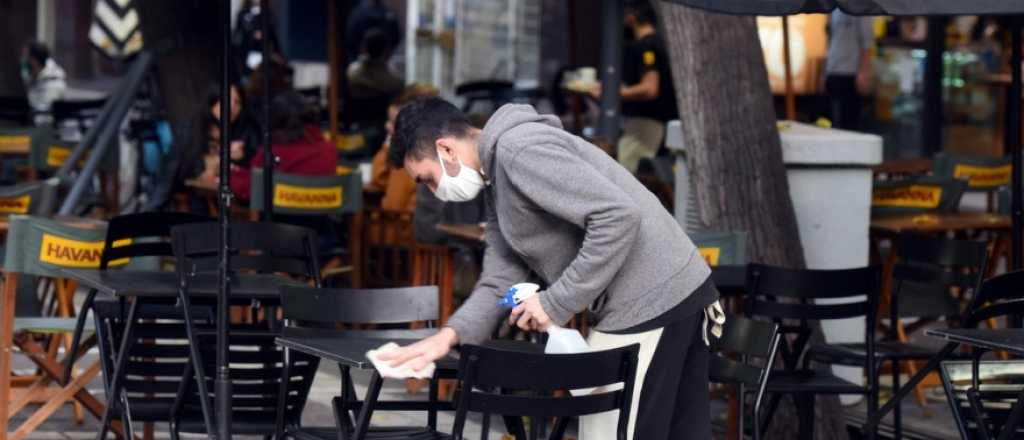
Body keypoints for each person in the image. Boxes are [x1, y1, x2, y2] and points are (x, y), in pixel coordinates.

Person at [381, 98, 723, 440]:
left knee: (608, 432)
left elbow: (617, 217)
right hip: (676, 291)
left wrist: (555, 303)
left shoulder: (520, 150)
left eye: (427, 178)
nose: (433, 191)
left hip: (652, 298)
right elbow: (500, 280)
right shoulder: (497, 180)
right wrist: (448, 336)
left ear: (446, 149)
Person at [592, 2, 678, 174]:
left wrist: (613, 93)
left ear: (631, 17)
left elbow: (650, 88)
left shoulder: (646, 46)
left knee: (623, 173)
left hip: (647, 123)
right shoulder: (661, 44)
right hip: (660, 123)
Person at [230, 91, 337, 200]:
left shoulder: (273, 153)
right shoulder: (329, 149)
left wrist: (227, 174)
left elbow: (250, 188)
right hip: (321, 214)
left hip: (279, 215)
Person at [368, 83, 440, 212]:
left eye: (393, 123)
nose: (387, 126)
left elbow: (393, 206)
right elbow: (380, 181)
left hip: (407, 228)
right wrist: (388, 145)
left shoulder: (408, 160)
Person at [180, 84, 261, 184]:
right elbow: (181, 167)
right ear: (213, 102)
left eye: (238, 102)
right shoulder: (194, 128)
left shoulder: (247, 130)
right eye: (227, 99)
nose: (232, 107)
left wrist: (243, 157)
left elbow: (257, 164)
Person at [825, 11, 874, 130]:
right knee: (831, 123)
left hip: (850, 73)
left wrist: (863, 72)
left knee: (848, 124)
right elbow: (830, 39)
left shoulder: (862, 7)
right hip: (833, 70)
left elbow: (867, 44)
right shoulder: (834, 9)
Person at [20, 41, 66, 123]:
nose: (23, 60)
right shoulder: (34, 78)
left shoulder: (53, 84)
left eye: (25, 56)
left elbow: (44, 119)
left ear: (34, 60)